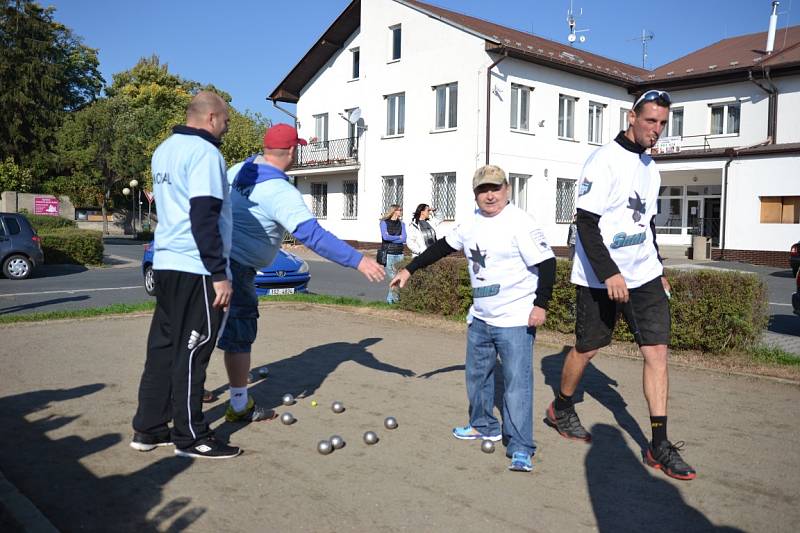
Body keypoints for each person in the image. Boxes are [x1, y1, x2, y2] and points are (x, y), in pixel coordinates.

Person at [545, 89, 696, 480]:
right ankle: (561, 406)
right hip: (599, 276)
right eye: (651, 121)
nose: (656, 130)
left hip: (643, 274)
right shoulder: (603, 162)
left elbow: (646, 223)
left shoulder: (652, 167)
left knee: (657, 352)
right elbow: (585, 224)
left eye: (663, 124)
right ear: (632, 117)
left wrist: (658, 265)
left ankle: (658, 444)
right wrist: (610, 272)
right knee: (588, 348)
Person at [391, 165, 556, 473]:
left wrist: (540, 305)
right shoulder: (470, 223)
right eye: (483, 190)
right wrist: (409, 269)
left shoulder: (521, 223)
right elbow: (441, 248)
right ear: (475, 194)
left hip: (515, 319)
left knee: (516, 385)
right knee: (477, 378)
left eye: (495, 188)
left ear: (507, 189)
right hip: (480, 317)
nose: (489, 195)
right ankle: (484, 425)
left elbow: (547, 265)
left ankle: (521, 447)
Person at [218, 124, 385, 422]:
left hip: (213, 261)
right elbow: (313, 237)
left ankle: (191, 393)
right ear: (293, 151)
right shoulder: (280, 191)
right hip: (237, 267)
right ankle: (239, 404)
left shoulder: (238, 169)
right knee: (240, 334)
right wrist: (358, 261)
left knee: (206, 328)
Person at [131, 91, 240, 459]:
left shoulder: (164, 149)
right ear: (211, 117)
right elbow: (203, 215)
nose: (227, 126)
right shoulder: (206, 153)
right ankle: (191, 436)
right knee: (194, 351)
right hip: (197, 268)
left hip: (166, 263)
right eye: (225, 119)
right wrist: (219, 273)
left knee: (163, 348)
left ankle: (149, 428)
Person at [379, 204, 406, 304]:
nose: (401, 212)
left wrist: (394, 238)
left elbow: (404, 238)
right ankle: (394, 300)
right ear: (394, 211)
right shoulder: (384, 223)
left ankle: (390, 300)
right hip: (389, 253)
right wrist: (398, 237)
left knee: (398, 278)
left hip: (400, 253)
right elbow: (385, 238)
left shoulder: (402, 224)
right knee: (394, 278)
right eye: (399, 210)